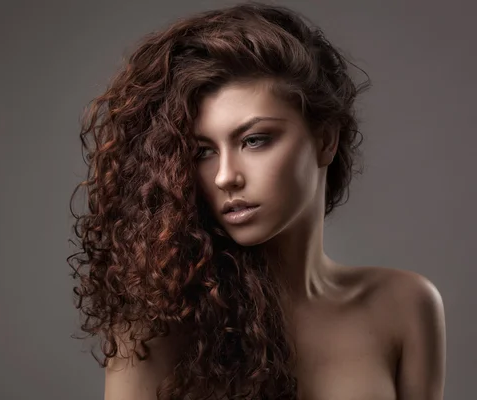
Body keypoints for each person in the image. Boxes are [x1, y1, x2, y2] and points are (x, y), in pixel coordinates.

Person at [68, 2, 446, 399]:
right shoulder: (160, 325)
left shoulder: (405, 305)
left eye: (254, 140)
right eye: (203, 151)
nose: (226, 175)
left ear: (325, 139)